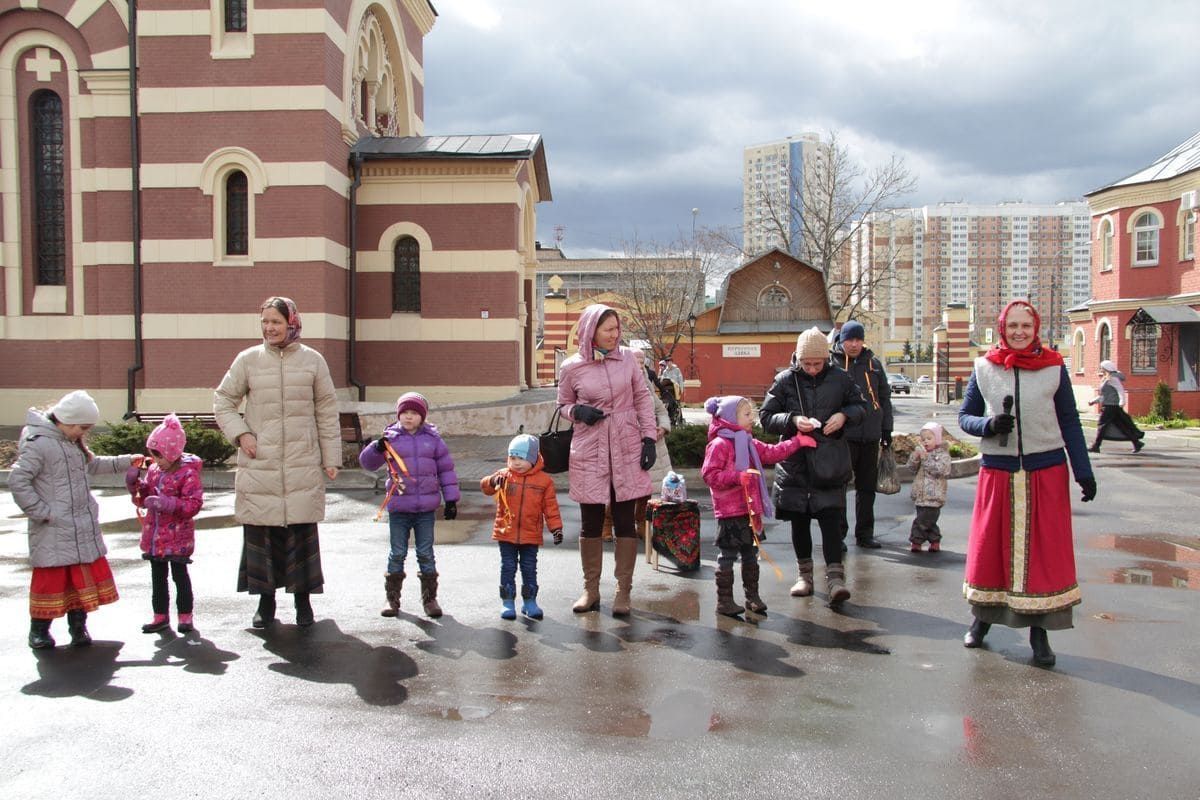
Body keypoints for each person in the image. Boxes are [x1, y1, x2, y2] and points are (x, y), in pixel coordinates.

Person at [958, 300, 1096, 668]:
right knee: (991, 550)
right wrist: (988, 426)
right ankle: (981, 620)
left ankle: (1039, 633)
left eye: (1026, 326)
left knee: (1042, 556)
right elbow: (965, 416)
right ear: (1002, 328)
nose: (1019, 332)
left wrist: (1083, 471)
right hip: (998, 472)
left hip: (1045, 471)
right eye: (1013, 326)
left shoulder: (1053, 367)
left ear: (1036, 329)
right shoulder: (984, 367)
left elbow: (1069, 420)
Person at [214, 296, 342, 629]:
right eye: (265, 322)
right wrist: (242, 434)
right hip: (261, 463)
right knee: (263, 533)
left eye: (276, 322)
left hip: (301, 461)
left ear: (292, 323)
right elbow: (223, 401)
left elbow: (327, 411)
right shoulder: (248, 360)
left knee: (300, 531)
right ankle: (265, 601)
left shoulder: (313, 361)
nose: (269, 328)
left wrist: (331, 457)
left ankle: (303, 602)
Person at [10, 390, 142, 649]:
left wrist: (127, 461)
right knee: (51, 581)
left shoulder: (71, 444)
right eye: (82, 428)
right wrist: (42, 512)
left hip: (78, 525)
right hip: (53, 528)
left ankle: (78, 627)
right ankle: (39, 630)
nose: (83, 433)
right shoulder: (39, 444)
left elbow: (92, 465)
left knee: (79, 582)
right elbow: (18, 480)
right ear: (67, 421)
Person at [558, 303, 658, 616]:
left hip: (626, 444)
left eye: (617, 328)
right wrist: (577, 411)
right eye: (609, 329)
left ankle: (623, 591)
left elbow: (642, 398)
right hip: (590, 448)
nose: (616, 334)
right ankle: (590, 590)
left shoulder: (627, 358)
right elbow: (562, 404)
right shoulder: (571, 367)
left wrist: (649, 438)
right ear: (592, 331)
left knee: (625, 520)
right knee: (590, 522)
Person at [760, 327, 868, 607]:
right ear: (798, 358)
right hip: (795, 463)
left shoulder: (840, 378)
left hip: (830, 462)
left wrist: (844, 416)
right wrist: (793, 420)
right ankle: (804, 576)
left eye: (816, 364)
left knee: (831, 521)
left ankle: (835, 579)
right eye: (806, 363)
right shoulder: (785, 380)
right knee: (800, 522)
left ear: (825, 359)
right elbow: (766, 416)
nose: (811, 369)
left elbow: (861, 406)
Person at [701, 395, 816, 617]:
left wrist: (797, 442)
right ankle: (724, 601)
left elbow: (772, 452)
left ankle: (752, 597)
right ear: (730, 417)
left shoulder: (748, 442)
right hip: (730, 511)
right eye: (746, 414)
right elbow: (709, 475)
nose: (751, 418)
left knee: (751, 554)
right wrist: (736, 477)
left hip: (750, 509)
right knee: (727, 556)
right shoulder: (719, 444)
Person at [358, 392, 459, 619]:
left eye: (414, 413)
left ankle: (430, 600)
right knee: (397, 553)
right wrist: (375, 448)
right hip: (399, 508)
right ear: (398, 415)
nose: (408, 417)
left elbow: (446, 470)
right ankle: (392, 599)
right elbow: (368, 464)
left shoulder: (433, 440)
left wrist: (451, 499)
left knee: (426, 553)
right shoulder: (390, 438)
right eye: (404, 412)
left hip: (425, 510)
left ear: (422, 416)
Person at [125, 413, 204, 634]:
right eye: (154, 455)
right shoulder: (154, 471)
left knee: (180, 576)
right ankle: (160, 616)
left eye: (160, 456)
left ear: (173, 452)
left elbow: (193, 504)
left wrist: (167, 503)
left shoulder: (187, 474)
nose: (156, 461)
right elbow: (144, 498)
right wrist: (135, 486)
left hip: (178, 537)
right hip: (155, 536)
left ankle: (185, 616)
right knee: (158, 578)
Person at [480, 434, 564, 620]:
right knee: (508, 567)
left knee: (529, 568)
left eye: (521, 458)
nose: (516, 462)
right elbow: (485, 487)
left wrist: (556, 528)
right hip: (506, 532)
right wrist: (492, 481)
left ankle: (530, 602)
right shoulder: (504, 475)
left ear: (533, 459)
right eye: (513, 458)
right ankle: (508, 602)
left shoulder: (544, 481)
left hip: (530, 534)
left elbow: (551, 507)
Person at [830, 320, 893, 548]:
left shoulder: (873, 364)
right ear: (841, 340)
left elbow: (884, 398)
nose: (854, 344)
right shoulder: (832, 364)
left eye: (858, 340)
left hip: (870, 434)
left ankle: (865, 534)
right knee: (839, 487)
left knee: (866, 488)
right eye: (850, 340)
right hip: (844, 436)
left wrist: (886, 429)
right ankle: (838, 535)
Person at [906, 421, 950, 553]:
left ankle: (916, 540)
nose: (926, 441)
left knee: (922, 521)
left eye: (929, 438)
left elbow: (941, 470)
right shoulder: (922, 453)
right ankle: (934, 540)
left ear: (937, 439)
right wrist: (915, 456)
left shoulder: (942, 455)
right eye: (923, 439)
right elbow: (911, 468)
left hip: (934, 495)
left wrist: (926, 459)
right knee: (928, 521)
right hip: (920, 494)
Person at [1088, 359, 1145, 453]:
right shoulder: (1106, 378)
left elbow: (1120, 390)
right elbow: (1105, 395)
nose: (1101, 369)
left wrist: (1122, 401)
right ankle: (1136, 443)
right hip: (1112, 406)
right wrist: (1094, 401)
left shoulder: (1112, 379)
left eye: (1102, 368)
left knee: (1102, 425)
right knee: (1121, 426)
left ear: (1106, 368)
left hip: (1110, 407)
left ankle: (1096, 446)